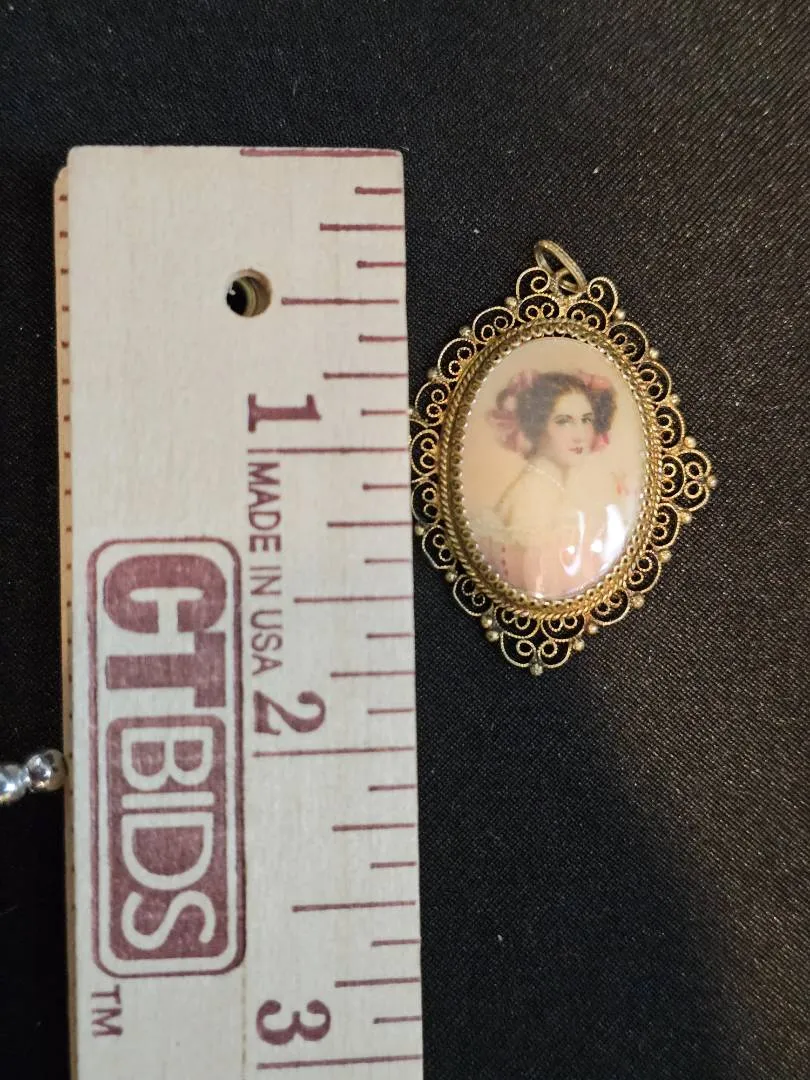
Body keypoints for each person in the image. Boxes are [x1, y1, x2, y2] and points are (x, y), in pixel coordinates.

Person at [469, 368, 637, 598]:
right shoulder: (534, 495)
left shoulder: (552, 486)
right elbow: (542, 590)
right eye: (564, 421)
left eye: (586, 420)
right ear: (538, 426)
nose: (580, 435)